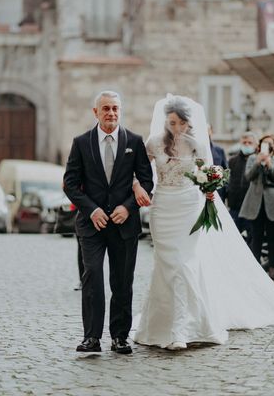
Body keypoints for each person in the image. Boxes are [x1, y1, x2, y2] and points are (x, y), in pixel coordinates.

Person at [132, 94, 274, 351]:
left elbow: (209, 171)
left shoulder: (197, 143)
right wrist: (137, 185)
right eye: (171, 123)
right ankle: (157, 325)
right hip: (163, 208)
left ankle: (181, 328)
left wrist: (209, 185)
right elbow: (137, 169)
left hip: (188, 206)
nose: (176, 128)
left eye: (180, 123)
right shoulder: (154, 142)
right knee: (166, 264)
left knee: (184, 264)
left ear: (187, 123)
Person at [63, 90, 154, 354]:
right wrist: (91, 210)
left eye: (115, 108)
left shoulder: (134, 141)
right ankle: (91, 337)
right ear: (96, 112)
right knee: (92, 277)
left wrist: (128, 207)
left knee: (122, 282)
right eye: (106, 109)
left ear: (120, 111)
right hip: (92, 225)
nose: (111, 113)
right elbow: (70, 183)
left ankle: (120, 337)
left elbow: (146, 181)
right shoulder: (81, 142)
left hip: (125, 225)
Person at [239, 134, 274, 280]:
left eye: (270, 144)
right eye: (264, 143)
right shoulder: (253, 159)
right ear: (260, 146)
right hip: (256, 201)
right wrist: (258, 162)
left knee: (272, 237)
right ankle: (255, 268)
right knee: (256, 236)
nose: (267, 146)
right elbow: (248, 176)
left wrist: (269, 164)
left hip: (273, 202)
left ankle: (272, 267)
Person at [226, 131, 256, 245]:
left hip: (251, 208)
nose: (247, 145)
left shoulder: (257, 160)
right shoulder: (233, 161)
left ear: (255, 144)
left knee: (250, 238)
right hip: (235, 207)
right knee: (232, 238)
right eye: (244, 142)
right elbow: (228, 180)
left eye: (250, 142)